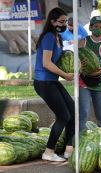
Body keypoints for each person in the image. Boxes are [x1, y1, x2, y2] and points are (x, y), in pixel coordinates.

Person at [34, 8, 74, 162]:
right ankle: (49, 152)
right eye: (61, 22)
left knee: (72, 110)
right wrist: (65, 75)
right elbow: (46, 63)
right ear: (52, 22)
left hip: (52, 81)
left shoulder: (58, 37)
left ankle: (69, 149)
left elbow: (60, 60)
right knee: (64, 116)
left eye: (66, 21)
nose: (64, 24)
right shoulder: (49, 37)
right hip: (44, 82)